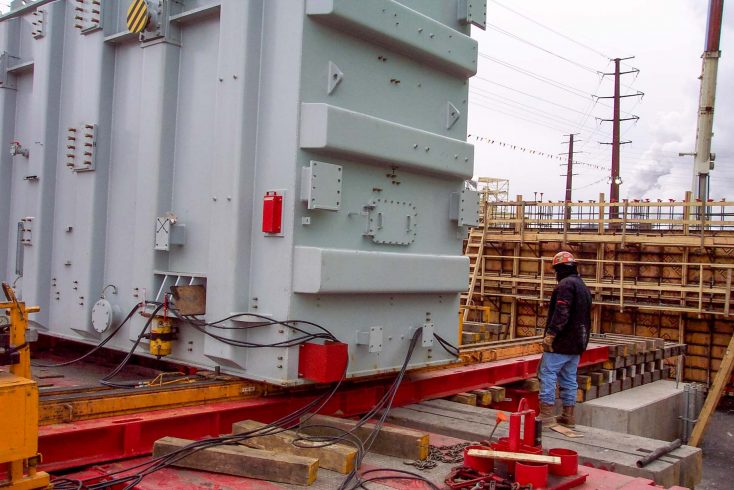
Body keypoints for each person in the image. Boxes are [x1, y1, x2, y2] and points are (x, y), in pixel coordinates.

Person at [538, 251, 592, 429]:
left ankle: (546, 415)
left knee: (547, 373)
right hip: (577, 343)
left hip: (562, 342)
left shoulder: (565, 285)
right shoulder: (583, 286)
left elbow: (562, 311)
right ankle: (568, 416)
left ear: (559, 269)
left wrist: (551, 334)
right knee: (569, 378)